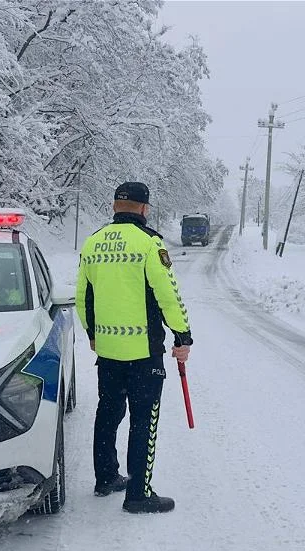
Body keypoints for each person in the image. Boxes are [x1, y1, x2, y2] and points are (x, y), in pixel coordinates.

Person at [75, 181, 192, 514]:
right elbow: (167, 294)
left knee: (108, 412)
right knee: (143, 420)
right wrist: (182, 335)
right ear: (145, 209)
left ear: (114, 207)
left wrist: (93, 335)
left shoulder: (93, 242)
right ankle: (139, 494)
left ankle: (107, 477)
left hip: (108, 351)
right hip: (144, 353)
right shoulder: (149, 243)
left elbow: (83, 297)